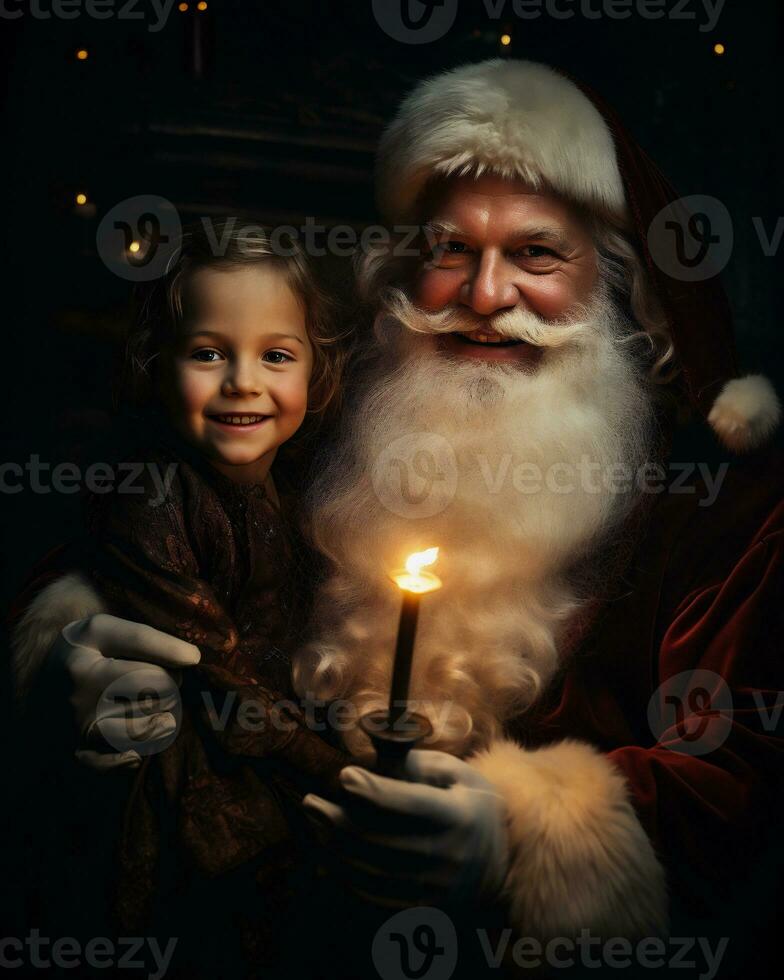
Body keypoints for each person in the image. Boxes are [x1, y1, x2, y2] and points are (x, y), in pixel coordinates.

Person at [13, 59, 784, 976]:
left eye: (536, 254)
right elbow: (131, 534)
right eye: (451, 250)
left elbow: (741, 786)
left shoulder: (716, 507)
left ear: (617, 285)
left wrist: (517, 841)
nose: (485, 296)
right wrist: (66, 649)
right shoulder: (332, 429)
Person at [12, 219, 355, 977]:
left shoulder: (304, 494)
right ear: (158, 367)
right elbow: (216, 671)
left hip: (279, 763)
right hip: (191, 770)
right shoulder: (152, 495)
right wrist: (340, 773)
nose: (242, 380)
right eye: (207, 353)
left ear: (315, 372)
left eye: (276, 355)